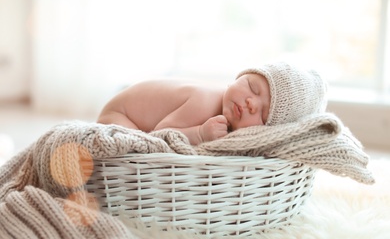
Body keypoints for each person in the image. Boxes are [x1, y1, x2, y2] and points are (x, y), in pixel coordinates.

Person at [97, 62, 328, 145]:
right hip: (120, 116)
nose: (250, 102)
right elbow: (159, 135)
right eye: (253, 87)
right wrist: (199, 133)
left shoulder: (224, 114)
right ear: (239, 77)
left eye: (263, 112)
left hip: (129, 115)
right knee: (133, 147)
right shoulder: (205, 102)